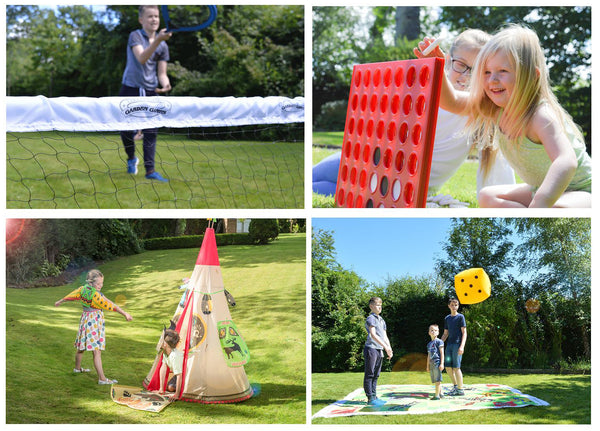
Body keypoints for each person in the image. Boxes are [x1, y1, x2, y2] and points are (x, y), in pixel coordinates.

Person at [312, 29, 515, 205]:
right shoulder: (421, 93)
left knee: (323, 187)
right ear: (447, 61)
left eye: (477, 70)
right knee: (314, 179)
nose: (465, 76)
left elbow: (498, 162)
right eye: (460, 65)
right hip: (373, 162)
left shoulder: (480, 108)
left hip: (400, 186)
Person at [416, 24, 591, 208]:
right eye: (487, 72)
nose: (493, 80)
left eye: (503, 71)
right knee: (487, 197)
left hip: (583, 190)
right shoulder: (494, 109)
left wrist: (540, 205)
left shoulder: (541, 116)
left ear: (532, 76)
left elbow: (566, 161)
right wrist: (437, 66)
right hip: (540, 188)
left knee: (557, 208)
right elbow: (451, 101)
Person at [120, 5, 172, 182]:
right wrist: (157, 40)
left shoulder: (162, 45)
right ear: (141, 20)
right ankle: (131, 158)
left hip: (150, 91)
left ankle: (150, 171)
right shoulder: (135, 36)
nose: (154, 20)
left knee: (152, 130)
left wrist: (165, 84)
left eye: (156, 16)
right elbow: (141, 58)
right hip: (131, 88)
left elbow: (162, 73)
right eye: (149, 16)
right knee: (125, 130)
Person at [54, 269, 133, 385]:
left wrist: (60, 301)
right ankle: (102, 379)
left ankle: (77, 368)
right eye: (98, 284)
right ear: (91, 283)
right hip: (94, 322)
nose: (100, 286)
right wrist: (124, 313)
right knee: (97, 352)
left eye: (102, 283)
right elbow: (110, 304)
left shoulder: (83, 289)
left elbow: (72, 295)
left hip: (85, 320)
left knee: (81, 347)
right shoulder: (95, 296)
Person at [363, 297, 393, 406]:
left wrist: (389, 348)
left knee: (376, 374)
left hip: (379, 349)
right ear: (371, 306)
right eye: (377, 305)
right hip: (371, 348)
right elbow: (373, 334)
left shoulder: (381, 320)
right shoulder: (371, 318)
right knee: (370, 374)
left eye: (381, 305)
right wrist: (385, 346)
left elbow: (384, 336)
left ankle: (374, 395)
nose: (380, 307)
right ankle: (370, 398)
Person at [440, 297, 466, 396]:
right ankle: (456, 387)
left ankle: (460, 389)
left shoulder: (461, 317)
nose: (454, 307)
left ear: (458, 306)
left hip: (457, 345)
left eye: (456, 305)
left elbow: (464, 333)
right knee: (448, 367)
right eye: (452, 305)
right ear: (449, 306)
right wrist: (439, 343)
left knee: (456, 368)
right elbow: (445, 333)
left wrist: (462, 346)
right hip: (449, 345)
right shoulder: (447, 318)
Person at [158, 328, 184, 398]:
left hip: (185, 375)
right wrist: (161, 388)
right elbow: (163, 368)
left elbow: (179, 375)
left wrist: (177, 395)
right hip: (178, 375)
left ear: (165, 344)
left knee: (170, 388)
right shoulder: (165, 353)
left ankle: (183, 389)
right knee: (168, 387)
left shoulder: (175, 356)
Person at [426, 324, 445, 400]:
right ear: (429, 332)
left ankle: (436, 396)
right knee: (436, 379)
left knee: (438, 380)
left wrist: (442, 363)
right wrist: (427, 366)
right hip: (431, 364)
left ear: (438, 332)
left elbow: (442, 353)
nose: (434, 332)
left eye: (435, 330)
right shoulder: (429, 344)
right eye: (432, 330)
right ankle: (441, 393)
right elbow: (429, 355)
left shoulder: (439, 342)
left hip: (437, 363)